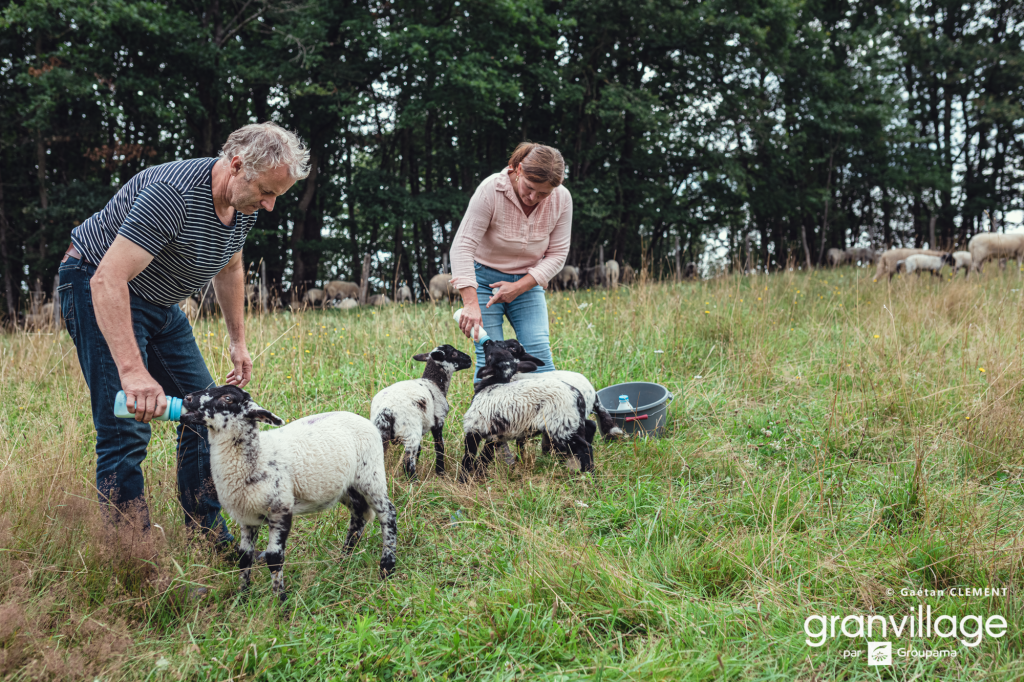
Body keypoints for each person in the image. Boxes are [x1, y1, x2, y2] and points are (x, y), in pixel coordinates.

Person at [59, 122, 309, 546]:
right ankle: (131, 553)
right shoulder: (173, 196)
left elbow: (230, 267)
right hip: (96, 285)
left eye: (276, 196)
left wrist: (237, 341)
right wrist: (133, 372)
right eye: (266, 192)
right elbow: (107, 279)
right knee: (126, 425)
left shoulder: (242, 206)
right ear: (236, 166)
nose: (269, 206)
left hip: (159, 303)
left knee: (207, 413)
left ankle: (206, 536)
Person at [450, 142, 571, 378]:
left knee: (539, 353)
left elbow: (558, 254)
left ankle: (544, 404)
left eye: (543, 193)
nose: (533, 197)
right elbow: (462, 246)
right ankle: (489, 404)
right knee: (491, 356)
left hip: (527, 283)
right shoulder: (490, 190)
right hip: (483, 282)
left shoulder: (562, 199)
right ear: (518, 169)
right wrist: (470, 304)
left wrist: (519, 286)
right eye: (529, 187)